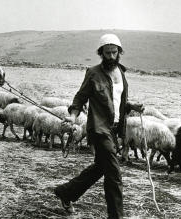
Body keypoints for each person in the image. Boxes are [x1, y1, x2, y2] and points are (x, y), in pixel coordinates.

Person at [54, 33, 144, 218]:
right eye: (107, 53)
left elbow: (116, 101)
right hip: (99, 128)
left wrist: (131, 106)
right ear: (101, 53)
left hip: (114, 130)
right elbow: (80, 97)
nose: (111, 56)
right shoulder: (93, 73)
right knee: (114, 175)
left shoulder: (122, 73)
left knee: (101, 167)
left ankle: (66, 192)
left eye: (114, 52)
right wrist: (72, 116)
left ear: (119, 52)